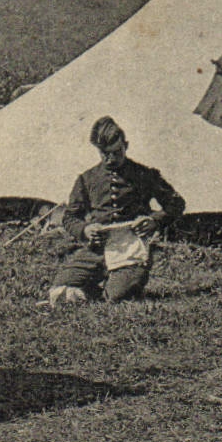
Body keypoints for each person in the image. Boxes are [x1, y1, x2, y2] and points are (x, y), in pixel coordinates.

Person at [47, 116, 185, 307]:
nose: (111, 159)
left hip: (131, 249)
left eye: (116, 152)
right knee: (60, 287)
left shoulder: (144, 174)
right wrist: (85, 230)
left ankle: (113, 286)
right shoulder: (87, 179)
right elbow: (70, 217)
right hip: (97, 250)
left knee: (116, 296)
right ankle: (95, 287)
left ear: (126, 146)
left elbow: (176, 203)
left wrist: (154, 220)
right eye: (105, 154)